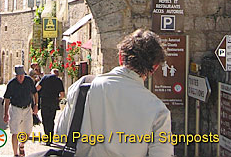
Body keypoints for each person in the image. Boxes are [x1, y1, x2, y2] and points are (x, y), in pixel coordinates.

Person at [56, 29, 174, 157]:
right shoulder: (158, 110)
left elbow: (60, 134)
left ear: (120, 57)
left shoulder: (84, 87)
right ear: (154, 67)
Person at [3, 65, 38, 157]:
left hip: (27, 109)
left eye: (22, 75)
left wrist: (36, 105)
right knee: (15, 131)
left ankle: (21, 145)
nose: (21, 77)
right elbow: (6, 99)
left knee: (28, 131)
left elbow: (35, 93)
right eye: (19, 75)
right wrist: (6, 113)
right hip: (15, 109)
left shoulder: (29, 81)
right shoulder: (11, 84)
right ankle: (15, 154)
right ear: (16, 75)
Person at [36, 68, 64, 142]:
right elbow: (62, 95)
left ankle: (47, 136)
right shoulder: (59, 81)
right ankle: (50, 137)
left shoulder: (45, 78)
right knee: (51, 119)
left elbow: (37, 88)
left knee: (45, 119)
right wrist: (58, 99)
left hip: (45, 101)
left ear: (51, 72)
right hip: (53, 102)